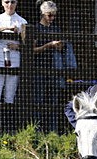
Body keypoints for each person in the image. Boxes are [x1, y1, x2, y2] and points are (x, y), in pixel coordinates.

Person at [32, 1, 65, 132]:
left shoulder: (56, 29)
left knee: (53, 101)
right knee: (38, 100)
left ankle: (53, 131)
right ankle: (37, 131)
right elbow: (32, 49)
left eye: (54, 15)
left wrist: (59, 46)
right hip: (39, 68)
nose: (52, 18)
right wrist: (48, 45)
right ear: (42, 14)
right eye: (49, 15)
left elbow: (62, 48)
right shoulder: (35, 28)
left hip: (54, 69)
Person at [0, 0, 27, 105]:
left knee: (10, 95)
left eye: (12, 2)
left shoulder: (22, 21)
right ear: (2, 3)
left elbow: (28, 44)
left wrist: (17, 46)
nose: (10, 5)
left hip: (14, 60)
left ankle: (7, 120)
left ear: (16, 3)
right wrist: (7, 28)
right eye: (7, 2)